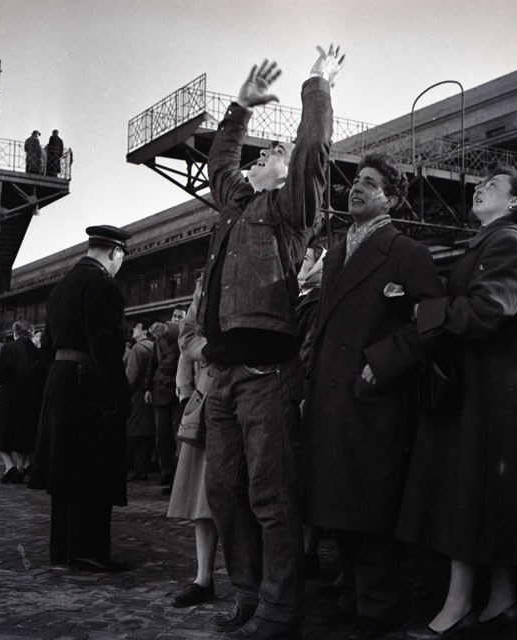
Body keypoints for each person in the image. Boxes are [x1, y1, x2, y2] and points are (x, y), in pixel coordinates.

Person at [197, 45, 344, 640]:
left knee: (270, 494)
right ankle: (249, 593)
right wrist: (240, 107)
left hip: (266, 376)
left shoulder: (291, 209)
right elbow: (220, 162)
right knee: (223, 493)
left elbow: (312, 151)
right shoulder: (236, 206)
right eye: (261, 154)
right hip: (223, 377)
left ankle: (280, 610)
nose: (266, 155)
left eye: (274, 153)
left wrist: (317, 86)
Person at [398, 166, 517, 639]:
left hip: (488, 394)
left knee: (466, 494)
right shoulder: (503, 241)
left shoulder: (505, 241)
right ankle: (502, 601)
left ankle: (459, 604)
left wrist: (425, 310)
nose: (479, 187)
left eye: (493, 184)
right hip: (496, 393)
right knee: (489, 496)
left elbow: (489, 310)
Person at [302, 154, 444, 640]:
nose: (356, 188)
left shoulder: (407, 252)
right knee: (336, 502)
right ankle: (352, 592)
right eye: (355, 181)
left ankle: (377, 603)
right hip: (331, 395)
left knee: (369, 502)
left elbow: (431, 322)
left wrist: (381, 363)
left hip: (372, 396)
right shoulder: (337, 251)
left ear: (392, 198)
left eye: (369, 182)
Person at [28, 224, 132, 573]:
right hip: (88, 383)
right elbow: (107, 347)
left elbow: (47, 346)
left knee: (64, 467)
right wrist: (118, 394)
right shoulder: (102, 285)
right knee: (93, 465)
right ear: (115, 252)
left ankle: (62, 548)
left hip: (60, 380)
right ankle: (89, 550)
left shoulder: (61, 287)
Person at [167, 283, 218, 607]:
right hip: (209, 391)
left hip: (258, 388)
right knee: (203, 489)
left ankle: (254, 581)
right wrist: (214, 350)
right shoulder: (207, 281)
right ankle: (204, 577)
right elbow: (187, 334)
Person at [0, 321, 46, 483]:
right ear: (30, 333)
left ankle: (9, 467)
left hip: (9, 395)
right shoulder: (38, 352)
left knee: (3, 431)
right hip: (31, 397)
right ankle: (20, 468)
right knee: (23, 433)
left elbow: (2, 373)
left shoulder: (9, 348)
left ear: (15, 332)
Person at [143, 312, 182, 487]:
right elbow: (152, 365)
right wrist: (147, 388)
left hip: (176, 393)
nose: (176, 319)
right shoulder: (158, 342)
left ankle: (176, 474)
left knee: (177, 435)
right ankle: (166, 472)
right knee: (162, 435)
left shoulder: (179, 335)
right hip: (160, 392)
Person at [125, 318, 155, 481]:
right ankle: (142, 469)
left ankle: (134, 470)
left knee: (132, 434)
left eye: (136, 327)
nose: (133, 330)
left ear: (144, 331)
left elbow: (130, 377)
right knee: (145, 436)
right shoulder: (153, 346)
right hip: (150, 395)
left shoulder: (137, 349)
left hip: (137, 396)